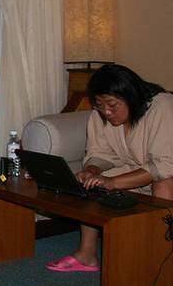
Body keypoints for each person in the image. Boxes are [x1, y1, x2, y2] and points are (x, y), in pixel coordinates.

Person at [47, 63, 173, 272]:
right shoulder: (101, 115)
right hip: (140, 170)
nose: (106, 111)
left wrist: (113, 182)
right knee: (91, 183)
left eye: (112, 105)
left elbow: (165, 164)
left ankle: (161, 258)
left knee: (165, 183)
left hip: (167, 173)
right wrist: (92, 170)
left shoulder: (162, 107)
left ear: (131, 96)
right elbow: (100, 153)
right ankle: (87, 255)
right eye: (100, 105)